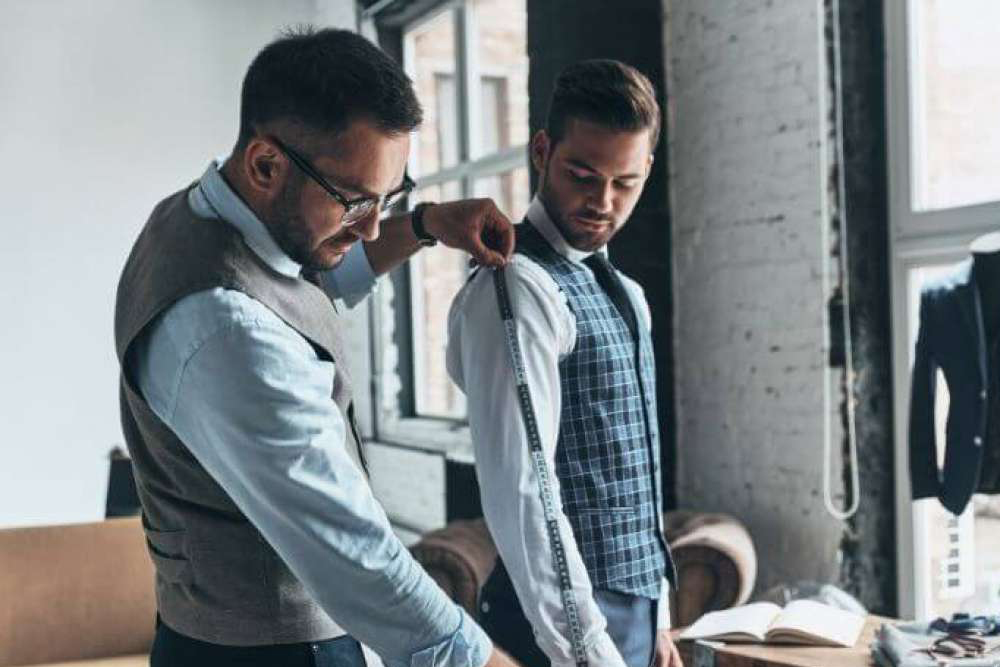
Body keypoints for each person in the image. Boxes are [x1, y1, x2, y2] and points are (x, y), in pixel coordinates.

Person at [113, 26, 520, 667]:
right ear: (265, 164)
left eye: (389, 197)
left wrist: (425, 225)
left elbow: (311, 275)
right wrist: (482, 660)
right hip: (269, 654)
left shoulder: (205, 214)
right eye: (356, 201)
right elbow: (350, 550)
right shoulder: (227, 330)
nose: (373, 227)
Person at [446, 60, 683, 667]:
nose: (603, 202)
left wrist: (656, 616)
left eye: (625, 182)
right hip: (561, 631)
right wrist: (586, 649)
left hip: (632, 617)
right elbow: (522, 488)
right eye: (582, 175)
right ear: (542, 152)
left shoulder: (627, 293)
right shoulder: (515, 287)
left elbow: (631, 464)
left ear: (647, 169)